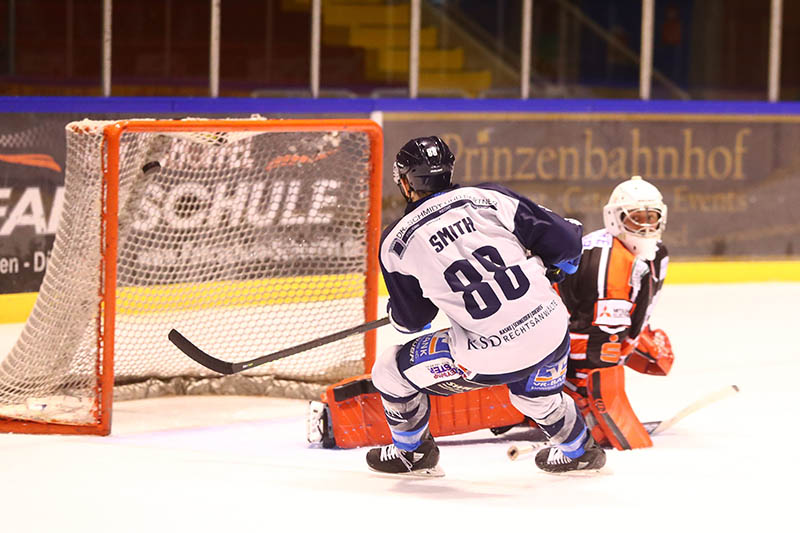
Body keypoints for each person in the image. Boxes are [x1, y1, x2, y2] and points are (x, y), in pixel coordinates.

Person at [363, 136, 605, 476]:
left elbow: (414, 322)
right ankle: (580, 451)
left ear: (405, 181)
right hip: (552, 328)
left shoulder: (396, 242)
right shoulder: (489, 198)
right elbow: (568, 245)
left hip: (489, 357)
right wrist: (554, 266)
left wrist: (397, 314)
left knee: (389, 369)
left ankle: (413, 455)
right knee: (533, 398)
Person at [555, 175, 673, 450]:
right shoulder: (610, 263)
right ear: (615, 219)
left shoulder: (656, 253)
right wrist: (591, 395)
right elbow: (593, 338)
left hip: (587, 330)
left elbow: (629, 314)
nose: (645, 226)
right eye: (635, 218)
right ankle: (562, 396)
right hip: (556, 340)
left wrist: (635, 339)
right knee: (601, 355)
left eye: (651, 217)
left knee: (656, 357)